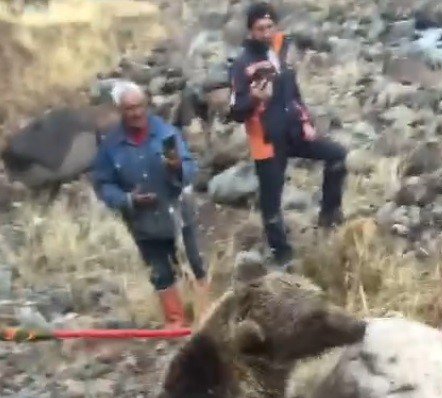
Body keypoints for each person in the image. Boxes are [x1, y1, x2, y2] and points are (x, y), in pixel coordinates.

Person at [229, 2, 348, 268]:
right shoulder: (242, 63)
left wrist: (306, 122)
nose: (267, 33)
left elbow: (293, 93)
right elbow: (235, 110)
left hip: (295, 131)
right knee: (271, 206)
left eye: (270, 27)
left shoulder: (282, 48)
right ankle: (282, 257)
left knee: (337, 156)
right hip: (267, 141)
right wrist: (254, 99)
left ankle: (329, 216)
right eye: (260, 29)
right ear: (250, 31)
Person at [92, 81, 209, 328]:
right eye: (129, 108)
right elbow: (103, 185)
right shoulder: (110, 147)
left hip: (176, 214)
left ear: (146, 105)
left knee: (193, 266)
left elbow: (190, 169)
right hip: (142, 222)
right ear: (120, 111)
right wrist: (127, 200)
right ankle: (175, 324)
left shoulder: (167, 134)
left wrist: (177, 168)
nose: (135, 113)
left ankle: (205, 318)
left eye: (139, 106)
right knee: (161, 274)